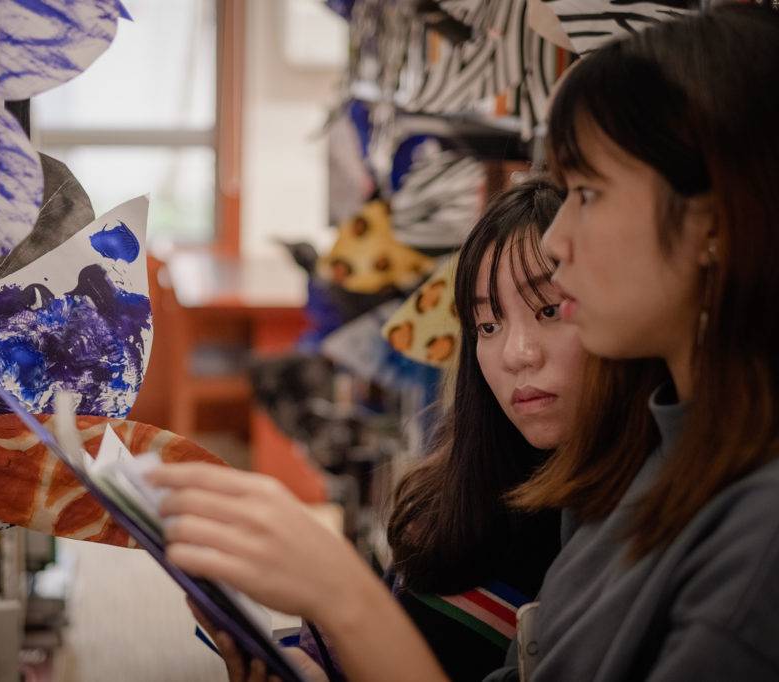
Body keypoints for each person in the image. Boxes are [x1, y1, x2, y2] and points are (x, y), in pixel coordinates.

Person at [150, 5, 779, 680]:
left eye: (589, 194)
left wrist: (346, 599)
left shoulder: (755, 536)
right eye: (487, 323)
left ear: (714, 221)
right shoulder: (632, 482)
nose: (560, 242)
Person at [188, 177, 581, 682]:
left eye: (549, 310)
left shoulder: (612, 536)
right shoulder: (452, 493)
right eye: (488, 325)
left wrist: (340, 592)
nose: (516, 353)